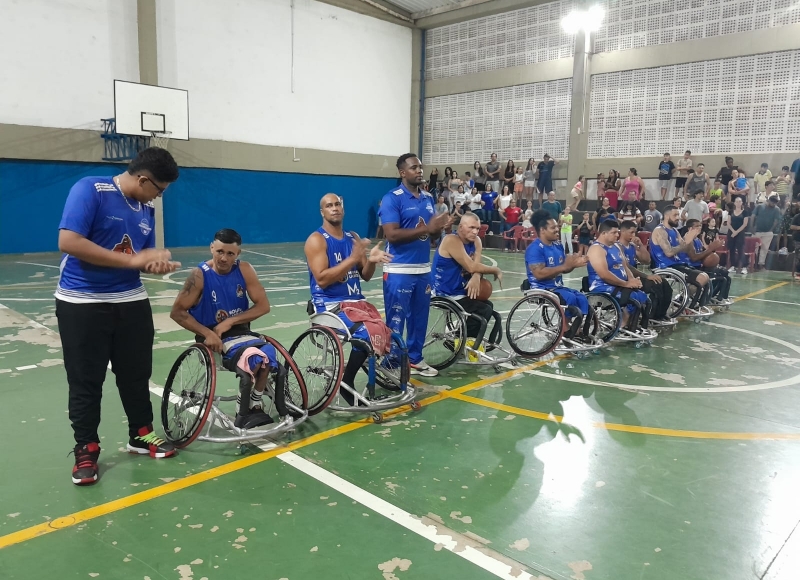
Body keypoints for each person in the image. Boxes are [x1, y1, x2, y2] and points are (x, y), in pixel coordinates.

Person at [57, 147, 181, 486]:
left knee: (135, 374)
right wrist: (131, 262)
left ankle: (141, 434)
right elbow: (68, 241)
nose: (159, 196)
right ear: (143, 179)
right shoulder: (91, 189)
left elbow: (136, 256)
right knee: (86, 380)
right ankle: (86, 448)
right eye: (159, 189)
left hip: (130, 301)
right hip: (82, 302)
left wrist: (154, 265)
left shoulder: (144, 207)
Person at [171, 229, 281, 427]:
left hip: (241, 333)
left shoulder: (245, 270)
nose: (223, 258)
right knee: (253, 359)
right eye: (220, 251)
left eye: (230, 253)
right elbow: (177, 312)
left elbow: (263, 306)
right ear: (212, 248)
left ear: (237, 254)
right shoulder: (199, 276)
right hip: (213, 338)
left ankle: (254, 403)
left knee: (269, 356)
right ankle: (245, 408)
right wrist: (207, 333)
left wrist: (230, 322)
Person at [301, 194, 393, 403]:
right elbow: (322, 280)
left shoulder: (353, 237)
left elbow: (366, 275)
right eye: (328, 206)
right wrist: (352, 258)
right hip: (329, 306)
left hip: (355, 303)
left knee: (384, 332)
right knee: (365, 335)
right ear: (322, 212)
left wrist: (370, 261)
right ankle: (347, 383)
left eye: (337, 204)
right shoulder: (316, 240)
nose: (334, 208)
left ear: (342, 209)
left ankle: (352, 378)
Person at [380, 153, 451, 377]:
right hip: (399, 269)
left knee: (420, 318)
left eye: (420, 167)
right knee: (396, 320)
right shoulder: (392, 198)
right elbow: (391, 234)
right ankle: (390, 363)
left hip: (423, 269)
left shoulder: (428, 198)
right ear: (402, 173)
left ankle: (415, 359)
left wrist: (440, 228)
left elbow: (430, 237)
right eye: (413, 168)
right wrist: (427, 229)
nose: (419, 171)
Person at [431, 213, 503, 349]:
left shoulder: (476, 241)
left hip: (460, 291)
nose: (475, 232)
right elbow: (471, 266)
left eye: (477, 228)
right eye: (471, 228)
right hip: (444, 293)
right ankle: (459, 342)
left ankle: (465, 339)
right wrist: (495, 269)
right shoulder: (451, 240)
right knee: (483, 310)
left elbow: (475, 266)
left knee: (489, 306)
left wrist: (476, 277)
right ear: (461, 227)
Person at [525, 210, 590, 339]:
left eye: (557, 226)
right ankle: (564, 329)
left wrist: (572, 265)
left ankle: (577, 329)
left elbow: (563, 269)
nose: (557, 229)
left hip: (557, 287)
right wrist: (565, 266)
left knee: (582, 298)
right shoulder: (535, 248)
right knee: (570, 298)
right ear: (542, 230)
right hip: (542, 288)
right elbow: (539, 273)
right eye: (553, 227)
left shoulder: (558, 245)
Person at [650, 206, 712, 309]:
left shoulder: (674, 230)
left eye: (678, 215)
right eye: (675, 215)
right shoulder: (660, 231)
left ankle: (683, 301)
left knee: (704, 276)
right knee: (701, 277)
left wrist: (690, 239)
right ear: (666, 216)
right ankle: (684, 302)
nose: (678, 217)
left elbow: (684, 248)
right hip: (664, 266)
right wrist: (685, 243)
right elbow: (669, 252)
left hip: (676, 264)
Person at [617, 220, 673, 322]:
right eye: (631, 232)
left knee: (664, 284)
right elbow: (627, 267)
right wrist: (646, 276)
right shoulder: (618, 247)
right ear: (622, 231)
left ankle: (661, 314)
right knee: (655, 287)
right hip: (626, 278)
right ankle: (651, 316)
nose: (634, 235)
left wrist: (641, 245)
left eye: (635, 232)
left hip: (636, 277)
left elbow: (647, 260)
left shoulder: (633, 246)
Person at [681, 219, 730, 303]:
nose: (700, 228)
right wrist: (710, 249)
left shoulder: (698, 239)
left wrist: (712, 249)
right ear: (690, 228)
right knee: (719, 276)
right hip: (691, 267)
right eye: (697, 226)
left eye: (700, 225)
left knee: (725, 274)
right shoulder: (688, 239)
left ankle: (716, 297)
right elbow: (694, 257)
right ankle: (705, 300)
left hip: (699, 266)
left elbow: (703, 254)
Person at [751, 193, 781, 271]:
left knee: (764, 249)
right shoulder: (760, 206)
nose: (774, 203)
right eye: (772, 201)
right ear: (768, 200)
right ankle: (752, 264)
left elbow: (776, 221)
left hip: (768, 232)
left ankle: (761, 264)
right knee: (754, 248)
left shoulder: (777, 209)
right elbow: (753, 216)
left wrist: (771, 229)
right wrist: (751, 227)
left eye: (775, 202)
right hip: (757, 231)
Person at [726, 197, 750, 275]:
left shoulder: (745, 212)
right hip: (731, 232)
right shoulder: (731, 211)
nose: (738, 203)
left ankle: (744, 267)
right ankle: (733, 265)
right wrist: (733, 231)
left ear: (742, 203)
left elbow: (745, 224)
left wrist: (737, 232)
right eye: (737, 201)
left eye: (740, 201)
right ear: (734, 203)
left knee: (741, 250)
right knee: (732, 249)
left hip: (740, 232)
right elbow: (728, 223)